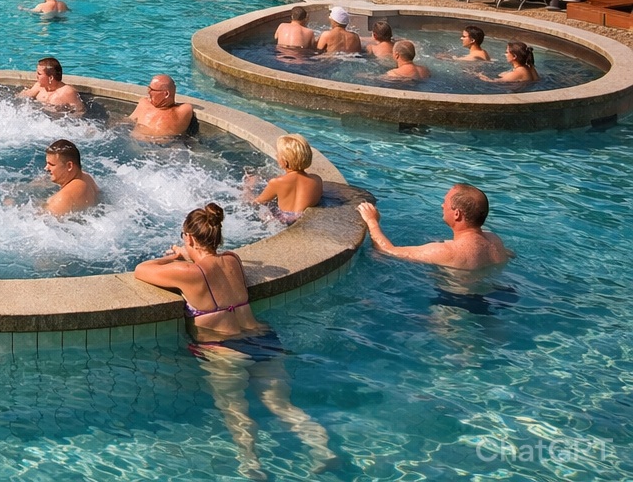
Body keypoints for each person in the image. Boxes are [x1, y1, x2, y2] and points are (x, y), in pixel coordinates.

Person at [135, 204, 335, 479]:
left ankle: (251, 465)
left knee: (236, 410)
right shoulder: (233, 260)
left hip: (223, 348)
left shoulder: (190, 274)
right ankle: (322, 450)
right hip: (263, 339)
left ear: (190, 238)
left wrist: (176, 257)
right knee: (284, 407)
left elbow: (140, 270)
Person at [358, 184, 513, 269]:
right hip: (492, 296)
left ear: (457, 214)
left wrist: (372, 221)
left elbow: (388, 251)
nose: (442, 205)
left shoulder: (445, 252)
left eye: (445, 203)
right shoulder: (495, 241)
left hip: (457, 305)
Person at [247, 134, 324, 221]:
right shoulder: (317, 180)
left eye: (278, 154)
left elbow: (257, 202)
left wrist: (248, 187)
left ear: (285, 161)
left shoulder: (277, 182)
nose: (276, 155)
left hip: (281, 221)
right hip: (302, 220)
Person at [42, 139, 99, 216]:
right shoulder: (87, 178)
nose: (46, 168)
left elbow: (41, 224)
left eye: (51, 164)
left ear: (69, 166)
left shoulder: (63, 199)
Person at [129, 74, 196, 138]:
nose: (148, 92)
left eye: (151, 90)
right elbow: (128, 121)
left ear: (166, 94)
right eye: (148, 88)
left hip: (164, 147)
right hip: (134, 142)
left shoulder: (182, 110)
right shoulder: (144, 104)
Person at [20, 56, 85, 115]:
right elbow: (21, 97)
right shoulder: (38, 86)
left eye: (39, 74)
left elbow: (79, 112)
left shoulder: (67, 92)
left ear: (50, 78)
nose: (36, 76)